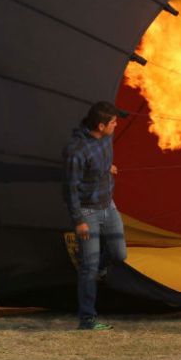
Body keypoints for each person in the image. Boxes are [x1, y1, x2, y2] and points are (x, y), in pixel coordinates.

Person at [63, 101, 129, 330]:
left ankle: (95, 267)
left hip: (108, 206)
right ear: (101, 125)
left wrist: (106, 167)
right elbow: (70, 189)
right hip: (88, 212)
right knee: (88, 269)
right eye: (113, 122)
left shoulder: (106, 137)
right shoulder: (76, 151)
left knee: (119, 254)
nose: (116, 125)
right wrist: (79, 220)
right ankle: (87, 319)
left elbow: (98, 162)